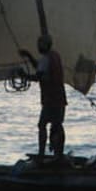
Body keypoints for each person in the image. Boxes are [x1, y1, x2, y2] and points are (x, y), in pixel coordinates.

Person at [19, 33, 67, 163]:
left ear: (44, 45)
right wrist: (28, 56)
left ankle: (42, 153)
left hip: (51, 99)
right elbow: (40, 67)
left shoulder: (46, 59)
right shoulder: (54, 56)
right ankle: (59, 154)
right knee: (57, 126)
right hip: (60, 97)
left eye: (39, 44)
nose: (38, 47)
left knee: (42, 125)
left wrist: (24, 76)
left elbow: (38, 76)